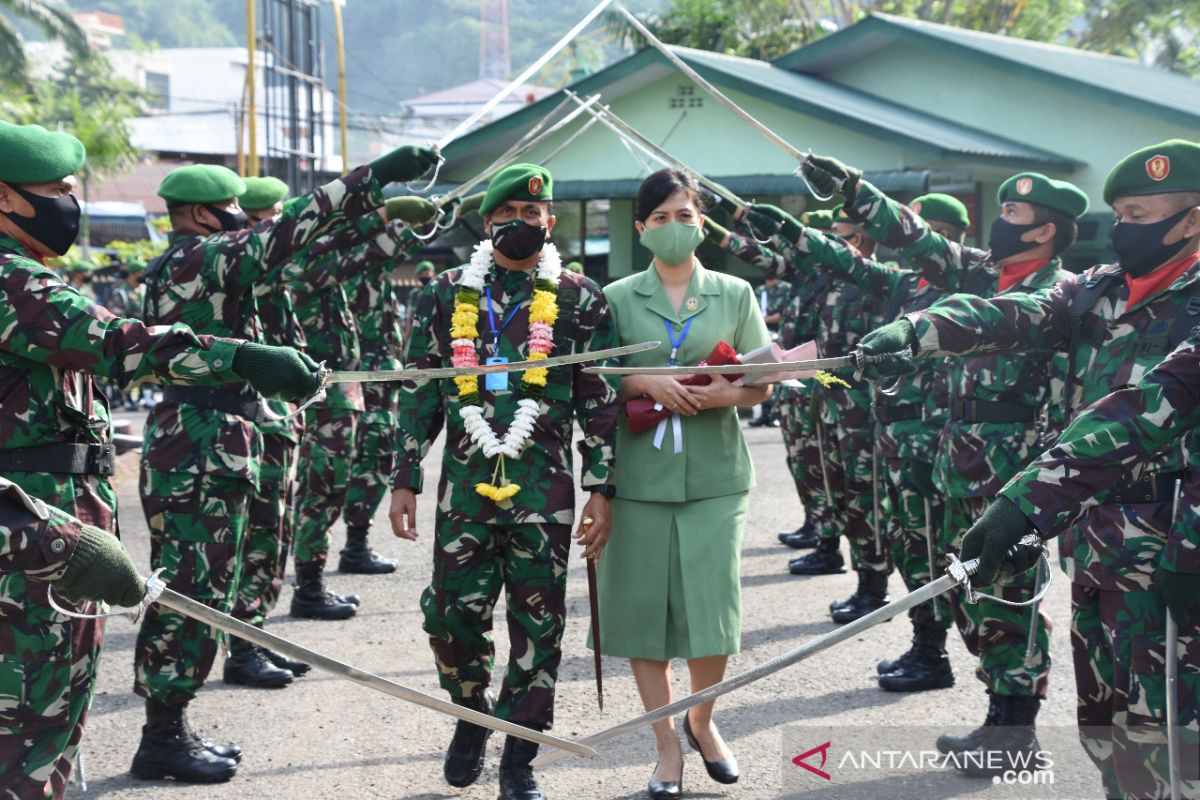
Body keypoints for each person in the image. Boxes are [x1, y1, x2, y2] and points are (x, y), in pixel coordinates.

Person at [857, 139, 1200, 797]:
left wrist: (1026, 499)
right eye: (1120, 214)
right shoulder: (1099, 293)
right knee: (1108, 731)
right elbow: (1011, 312)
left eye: (1141, 212)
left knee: (1176, 748)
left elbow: (1147, 405)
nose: (1126, 228)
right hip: (1102, 550)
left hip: (1178, 559)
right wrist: (918, 332)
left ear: (1191, 219)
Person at [0, 120, 318, 800]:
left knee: (50, 714)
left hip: (50, 524)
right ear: (5, 198)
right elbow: (115, 341)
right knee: (30, 721)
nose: (69, 202)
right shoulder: (8, 280)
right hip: (29, 529)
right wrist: (241, 357)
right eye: (55, 189)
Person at [133, 145, 437, 782]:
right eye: (230, 210)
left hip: (223, 429)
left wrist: (376, 214)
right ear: (195, 214)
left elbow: (307, 246)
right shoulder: (196, 257)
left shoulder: (215, 259)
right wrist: (369, 182)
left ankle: (179, 717)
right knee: (190, 588)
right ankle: (161, 735)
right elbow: (290, 232)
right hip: (196, 436)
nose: (243, 220)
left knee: (217, 576)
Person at [805, 153, 1089, 775]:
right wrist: (856, 192)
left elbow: (988, 319)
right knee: (971, 592)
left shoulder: (1056, 291)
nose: (1000, 223)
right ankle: (1000, 714)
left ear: (1044, 231)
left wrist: (918, 328)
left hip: (1011, 472)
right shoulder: (988, 273)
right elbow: (920, 239)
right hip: (958, 460)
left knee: (1008, 596)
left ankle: (1014, 730)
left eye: (1013, 213)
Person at [389, 163, 618, 800]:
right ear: (486, 223)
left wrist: (602, 488)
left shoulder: (578, 297)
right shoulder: (442, 294)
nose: (520, 223)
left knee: (539, 628)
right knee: (451, 620)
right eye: (506, 214)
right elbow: (419, 394)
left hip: (543, 492)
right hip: (463, 491)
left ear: (551, 221)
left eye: (531, 213)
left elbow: (599, 400)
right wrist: (403, 477)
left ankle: (520, 757)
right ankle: (472, 719)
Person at [597, 169, 771, 799]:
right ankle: (665, 742)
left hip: (716, 475)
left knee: (712, 608)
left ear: (703, 223)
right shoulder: (614, 298)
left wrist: (730, 391)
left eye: (686, 216)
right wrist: (643, 382)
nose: (675, 228)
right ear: (641, 229)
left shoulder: (733, 292)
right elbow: (589, 381)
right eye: (661, 218)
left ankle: (703, 718)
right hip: (638, 475)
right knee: (644, 610)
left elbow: (763, 379)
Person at [747, 273, 792, 427]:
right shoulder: (759, 291)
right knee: (763, 375)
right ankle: (765, 414)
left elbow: (787, 312)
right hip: (761, 336)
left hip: (779, 336)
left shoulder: (786, 289)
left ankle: (776, 414)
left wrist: (764, 320)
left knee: (779, 375)